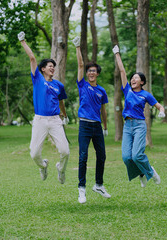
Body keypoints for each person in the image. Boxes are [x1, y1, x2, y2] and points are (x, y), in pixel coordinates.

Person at [18, 31, 70, 184]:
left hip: (55, 120)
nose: (52, 68)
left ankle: (61, 169)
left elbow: (61, 102)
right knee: (34, 154)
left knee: (65, 151)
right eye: (49, 66)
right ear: (42, 69)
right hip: (40, 120)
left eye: (53, 66)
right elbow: (32, 58)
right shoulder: (37, 79)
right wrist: (23, 42)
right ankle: (43, 165)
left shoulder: (58, 85)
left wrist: (65, 116)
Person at [112, 45, 165, 188]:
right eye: (132, 78)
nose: (133, 79)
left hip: (139, 125)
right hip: (127, 126)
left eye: (136, 78)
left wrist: (161, 111)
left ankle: (150, 172)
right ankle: (141, 173)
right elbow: (122, 71)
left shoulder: (145, 94)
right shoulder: (127, 90)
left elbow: (158, 105)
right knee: (126, 157)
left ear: (142, 82)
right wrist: (117, 53)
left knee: (136, 155)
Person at [72, 37, 111, 204]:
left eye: (94, 71)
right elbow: (80, 65)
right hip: (84, 125)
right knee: (83, 156)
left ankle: (99, 185)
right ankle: (82, 189)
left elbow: (103, 110)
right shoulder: (82, 85)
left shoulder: (102, 91)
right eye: (89, 71)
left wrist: (105, 127)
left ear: (97, 73)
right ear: (87, 74)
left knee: (102, 156)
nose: (91, 73)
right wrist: (78, 47)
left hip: (97, 127)